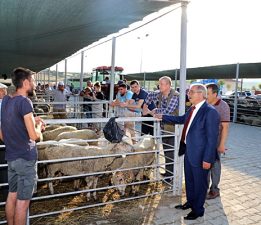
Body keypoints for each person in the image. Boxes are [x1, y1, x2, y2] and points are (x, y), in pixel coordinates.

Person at [156, 84, 220, 220]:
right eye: (188, 92)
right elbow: (181, 119)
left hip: (201, 156)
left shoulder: (210, 112)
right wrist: (163, 117)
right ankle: (191, 203)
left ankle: (198, 210)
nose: (188, 94)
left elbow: (212, 138)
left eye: (191, 92)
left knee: (200, 184)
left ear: (201, 94)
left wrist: (208, 159)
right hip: (189, 152)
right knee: (190, 181)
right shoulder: (193, 108)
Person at [0, 67, 45, 225]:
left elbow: (2, 134)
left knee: (12, 196)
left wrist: (32, 121)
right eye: (32, 81)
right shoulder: (25, 102)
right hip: (25, 158)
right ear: (25, 83)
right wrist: (39, 127)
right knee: (23, 202)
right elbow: (34, 136)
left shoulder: (6, 100)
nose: (34, 84)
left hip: (11, 158)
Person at [143, 76, 179, 180]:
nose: (160, 86)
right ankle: (168, 173)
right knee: (167, 151)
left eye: (162, 84)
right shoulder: (159, 94)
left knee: (171, 151)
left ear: (168, 85)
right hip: (164, 127)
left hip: (173, 128)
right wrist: (145, 105)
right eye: (159, 84)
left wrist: (151, 111)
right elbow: (149, 96)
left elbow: (167, 112)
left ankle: (172, 176)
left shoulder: (175, 96)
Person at [206, 83, 230, 199]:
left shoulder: (223, 106)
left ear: (215, 94)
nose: (206, 96)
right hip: (204, 140)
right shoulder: (205, 104)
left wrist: (221, 144)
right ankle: (203, 187)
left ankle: (214, 189)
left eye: (208, 93)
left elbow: (225, 127)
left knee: (215, 165)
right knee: (204, 164)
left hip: (216, 140)